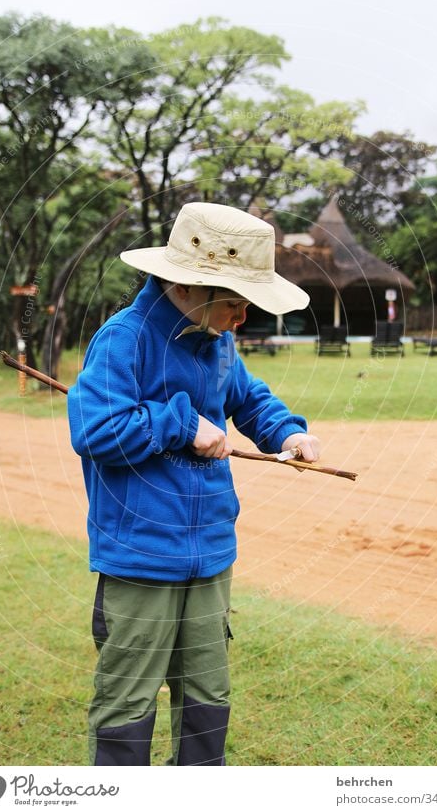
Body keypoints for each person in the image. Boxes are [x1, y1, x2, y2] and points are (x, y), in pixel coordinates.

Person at [67, 202, 321, 766]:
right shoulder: (123, 341)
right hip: (140, 559)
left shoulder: (217, 339)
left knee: (208, 696)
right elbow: (96, 431)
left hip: (211, 553)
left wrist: (287, 432)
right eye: (236, 304)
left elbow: (247, 397)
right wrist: (181, 425)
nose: (242, 319)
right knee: (127, 702)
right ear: (188, 285)